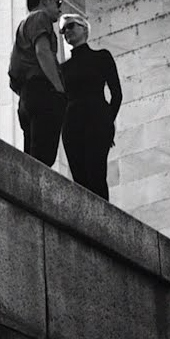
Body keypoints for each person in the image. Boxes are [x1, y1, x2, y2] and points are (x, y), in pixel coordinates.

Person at [58, 13, 122, 200]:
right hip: (71, 125)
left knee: (96, 175)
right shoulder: (62, 68)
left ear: (84, 28)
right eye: (63, 30)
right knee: (80, 181)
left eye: (70, 26)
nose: (66, 31)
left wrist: (107, 122)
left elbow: (117, 94)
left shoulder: (101, 57)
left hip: (97, 120)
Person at [7, 0, 65, 166]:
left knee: (32, 158)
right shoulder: (40, 17)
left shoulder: (23, 25)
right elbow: (43, 52)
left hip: (27, 95)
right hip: (42, 91)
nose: (60, 9)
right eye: (58, 2)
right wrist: (59, 88)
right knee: (44, 158)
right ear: (45, 0)